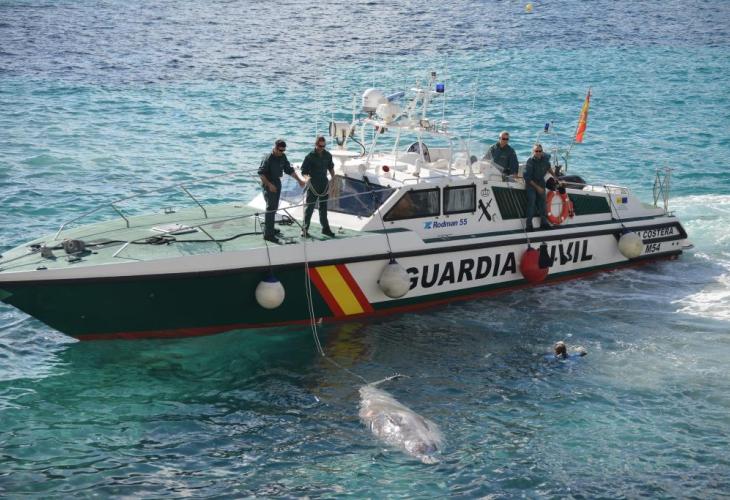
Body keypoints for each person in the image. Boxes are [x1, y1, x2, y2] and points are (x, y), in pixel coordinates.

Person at [258, 139, 305, 243]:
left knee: (274, 207)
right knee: (270, 208)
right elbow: (261, 173)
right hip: (269, 183)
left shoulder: (282, 156)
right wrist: (269, 185)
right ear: (275, 148)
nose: (282, 152)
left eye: (283, 150)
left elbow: (289, 170)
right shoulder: (268, 158)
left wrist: (299, 180)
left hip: (277, 182)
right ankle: (268, 235)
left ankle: (270, 228)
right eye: (280, 150)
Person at [301, 136, 336, 237]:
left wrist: (333, 179)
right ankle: (304, 230)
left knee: (323, 208)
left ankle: (325, 229)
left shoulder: (328, 155)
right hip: (313, 184)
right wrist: (307, 178)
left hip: (324, 184)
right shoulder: (309, 156)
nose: (322, 148)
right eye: (320, 146)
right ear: (316, 145)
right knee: (309, 208)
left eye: (324, 146)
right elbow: (304, 171)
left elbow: (331, 168)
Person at [523, 143, 557, 232]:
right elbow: (527, 177)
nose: (538, 152)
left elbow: (548, 167)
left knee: (543, 203)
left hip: (541, 182)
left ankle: (544, 223)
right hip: (531, 184)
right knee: (531, 202)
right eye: (536, 151)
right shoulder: (530, 161)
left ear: (542, 151)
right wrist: (538, 188)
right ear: (533, 151)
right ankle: (529, 225)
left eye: (540, 151)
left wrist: (555, 176)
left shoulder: (545, 159)